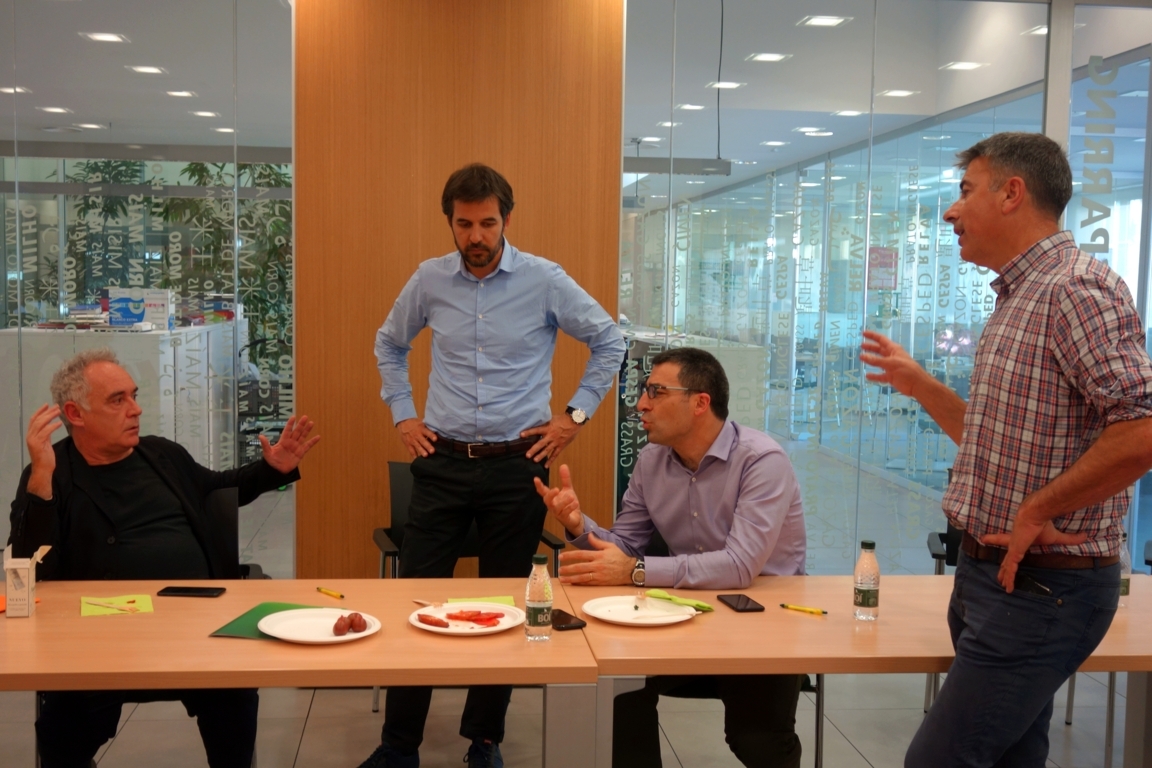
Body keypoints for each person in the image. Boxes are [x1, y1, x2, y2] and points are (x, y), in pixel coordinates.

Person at [859, 132, 1152, 768]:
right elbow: (997, 443)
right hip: (991, 576)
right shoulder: (1021, 295)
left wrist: (1037, 509)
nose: (951, 211)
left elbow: (1143, 428)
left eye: (966, 191)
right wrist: (922, 385)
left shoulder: (1075, 289)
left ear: (1012, 193)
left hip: (1045, 587)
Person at [367, 163, 625, 768]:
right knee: (416, 601)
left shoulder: (545, 280)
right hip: (442, 462)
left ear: (506, 219)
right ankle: (399, 745)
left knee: (509, 603)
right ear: (450, 222)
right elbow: (389, 344)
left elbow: (610, 341)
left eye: (487, 223)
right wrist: (404, 415)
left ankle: (483, 740)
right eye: (464, 224)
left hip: (517, 466)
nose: (476, 236)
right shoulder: (429, 279)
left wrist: (573, 417)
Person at [9, 347, 320, 768]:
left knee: (234, 698)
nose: (135, 409)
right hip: (98, 640)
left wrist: (272, 470)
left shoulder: (160, 454)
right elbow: (29, 567)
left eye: (134, 396)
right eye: (117, 400)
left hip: (197, 626)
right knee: (62, 731)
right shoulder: (51, 470)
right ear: (75, 414)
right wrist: (41, 481)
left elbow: (220, 487)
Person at [535, 347, 807, 768]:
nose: (641, 405)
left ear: (700, 403)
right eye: (645, 391)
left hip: (762, 622)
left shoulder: (761, 461)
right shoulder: (651, 460)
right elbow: (627, 546)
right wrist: (578, 525)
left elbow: (739, 566)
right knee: (618, 684)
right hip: (687, 613)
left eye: (656, 392)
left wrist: (636, 571)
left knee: (755, 741)